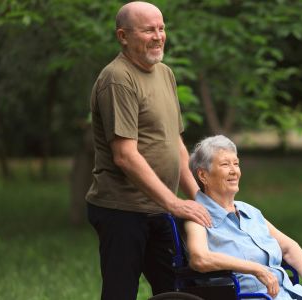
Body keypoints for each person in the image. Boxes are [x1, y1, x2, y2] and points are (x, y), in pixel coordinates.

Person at [85, 2, 212, 299]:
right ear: (123, 36)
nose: (158, 36)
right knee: (121, 292)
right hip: (122, 210)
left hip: (159, 208)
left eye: (161, 28)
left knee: (176, 288)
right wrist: (174, 203)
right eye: (148, 30)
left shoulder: (164, 73)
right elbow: (125, 155)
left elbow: (176, 144)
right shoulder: (118, 79)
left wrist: (200, 199)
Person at [185, 135, 302, 300]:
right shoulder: (198, 215)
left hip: (286, 292)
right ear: (203, 176)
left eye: (236, 164)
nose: (234, 171)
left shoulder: (249, 211)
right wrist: (255, 269)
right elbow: (200, 258)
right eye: (225, 164)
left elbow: (288, 247)